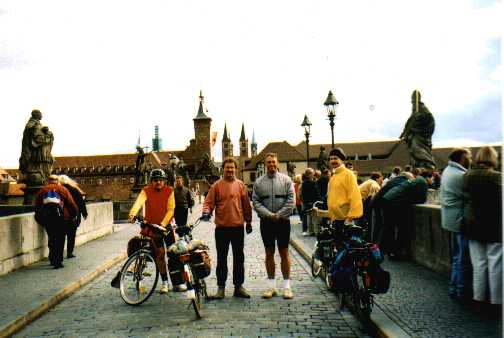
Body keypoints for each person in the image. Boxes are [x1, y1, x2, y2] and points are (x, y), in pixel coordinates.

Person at [128, 168, 186, 293]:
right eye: (155, 180)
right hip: (152, 228)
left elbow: (171, 209)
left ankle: (178, 283)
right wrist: (132, 213)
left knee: (173, 255)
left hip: (166, 227)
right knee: (160, 255)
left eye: (160, 180)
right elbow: (138, 202)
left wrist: (163, 224)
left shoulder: (169, 191)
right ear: (151, 181)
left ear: (164, 181)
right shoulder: (146, 191)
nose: (158, 182)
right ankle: (165, 282)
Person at [201, 157, 253, 299]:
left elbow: (246, 205)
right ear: (223, 169)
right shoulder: (216, 186)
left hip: (237, 228)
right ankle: (221, 288)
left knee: (238, 258)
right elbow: (208, 203)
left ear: (235, 169)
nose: (230, 170)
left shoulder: (241, 185)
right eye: (227, 168)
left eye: (232, 168)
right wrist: (206, 212)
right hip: (222, 229)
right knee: (221, 258)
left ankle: (238, 287)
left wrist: (248, 222)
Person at [462, 146, 502, 316]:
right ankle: (496, 302)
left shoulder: (467, 176)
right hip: (494, 226)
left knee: (478, 265)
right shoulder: (497, 177)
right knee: (495, 265)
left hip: (473, 225)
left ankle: (478, 300)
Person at [252, 153, 295, 299]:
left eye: (273, 162)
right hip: (267, 223)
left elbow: (291, 200)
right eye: (268, 162)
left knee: (284, 253)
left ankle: (287, 287)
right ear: (265, 164)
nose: (271, 165)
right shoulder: (258, 183)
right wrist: (269, 215)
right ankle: (271, 287)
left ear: (277, 164)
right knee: (269, 253)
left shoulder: (286, 180)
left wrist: (280, 214)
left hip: (283, 222)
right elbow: (256, 202)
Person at [440, 148, 472, 301]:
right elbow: (471, 196)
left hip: (449, 219)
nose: (470, 160)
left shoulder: (447, 170)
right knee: (462, 258)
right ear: (462, 158)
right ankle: (460, 290)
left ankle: (454, 287)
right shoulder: (460, 175)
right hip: (459, 220)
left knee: (456, 257)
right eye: (469, 157)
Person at [381, 168, 433, 259]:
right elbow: (422, 200)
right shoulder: (423, 182)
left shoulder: (417, 179)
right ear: (428, 177)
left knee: (392, 228)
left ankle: (391, 251)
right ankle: (396, 253)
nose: (432, 181)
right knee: (403, 229)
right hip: (396, 204)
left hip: (389, 201)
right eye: (432, 178)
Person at [34, 175, 78, 269]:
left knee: (52, 238)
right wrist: (73, 215)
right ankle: (58, 261)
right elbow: (71, 203)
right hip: (62, 218)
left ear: (48, 181)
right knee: (60, 239)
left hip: (48, 219)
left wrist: (40, 220)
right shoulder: (62, 189)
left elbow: (37, 206)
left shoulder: (43, 190)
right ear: (57, 181)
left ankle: (52, 258)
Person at [314, 147, 363, 230]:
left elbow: (355, 196)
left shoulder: (348, 175)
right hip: (335, 220)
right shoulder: (333, 176)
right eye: (331, 159)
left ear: (341, 160)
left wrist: (350, 218)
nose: (333, 161)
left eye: (336, 158)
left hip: (345, 221)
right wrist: (320, 213)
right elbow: (334, 200)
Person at [399, 90, 436, 169]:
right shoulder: (415, 110)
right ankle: (418, 165)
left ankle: (427, 164)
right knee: (413, 150)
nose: (412, 102)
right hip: (415, 135)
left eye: (413, 100)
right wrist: (405, 132)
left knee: (417, 149)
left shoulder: (423, 109)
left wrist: (418, 120)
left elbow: (429, 119)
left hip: (420, 136)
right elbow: (410, 122)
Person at [58, 175, 88, 259]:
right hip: (73, 216)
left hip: (62, 216)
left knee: (61, 236)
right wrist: (84, 213)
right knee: (71, 235)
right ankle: (69, 252)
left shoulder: (58, 190)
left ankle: (59, 254)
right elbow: (81, 203)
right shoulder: (74, 190)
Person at [300, 168, 321, 236]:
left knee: (309, 217)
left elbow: (303, 194)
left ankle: (311, 231)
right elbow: (316, 193)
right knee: (315, 218)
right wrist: (318, 200)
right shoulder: (313, 183)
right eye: (312, 173)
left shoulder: (304, 183)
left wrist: (305, 202)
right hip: (313, 202)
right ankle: (316, 232)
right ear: (309, 174)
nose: (313, 174)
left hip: (307, 203)